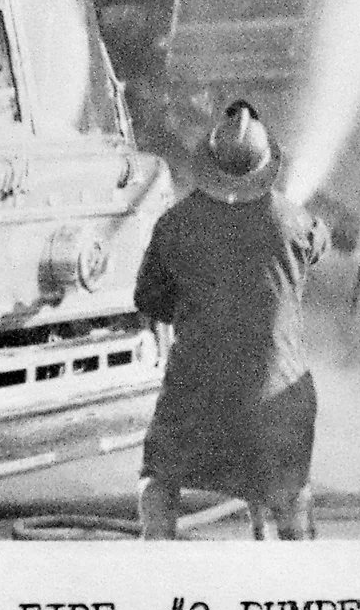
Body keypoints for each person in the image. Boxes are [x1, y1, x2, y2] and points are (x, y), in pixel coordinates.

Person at [132, 100, 329, 539]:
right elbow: (320, 242)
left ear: (207, 164)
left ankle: (155, 548)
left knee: (157, 478)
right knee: (292, 492)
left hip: (196, 397)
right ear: (267, 167)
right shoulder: (295, 223)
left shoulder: (174, 224)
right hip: (276, 400)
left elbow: (149, 300)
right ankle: (300, 554)